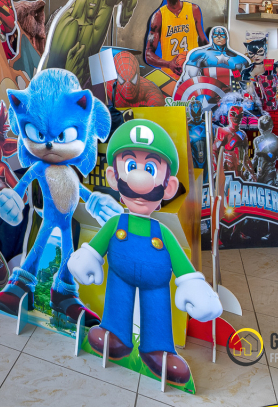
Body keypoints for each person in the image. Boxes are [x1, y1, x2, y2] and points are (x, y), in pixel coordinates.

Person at [67, 119, 221, 386]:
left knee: (157, 309)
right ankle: (115, 335)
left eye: (150, 169)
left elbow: (182, 264)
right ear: (114, 177)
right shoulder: (115, 223)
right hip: (119, 275)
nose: (139, 180)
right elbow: (97, 246)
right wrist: (88, 257)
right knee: (118, 300)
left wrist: (193, 285)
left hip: (156, 284)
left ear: (168, 187)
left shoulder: (164, 233)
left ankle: (158, 350)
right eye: (130, 166)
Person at [42, 0, 139, 86]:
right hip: (63, 88)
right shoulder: (70, 25)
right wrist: (70, 72)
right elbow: (47, 81)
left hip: (88, 80)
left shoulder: (107, 1)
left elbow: (101, 89)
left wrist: (127, 7)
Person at [144, 0, 207, 95]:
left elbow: (203, 41)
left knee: (194, 105)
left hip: (193, 73)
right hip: (170, 76)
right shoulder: (158, 16)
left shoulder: (193, 10)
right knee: (173, 105)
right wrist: (169, 64)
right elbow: (148, 54)